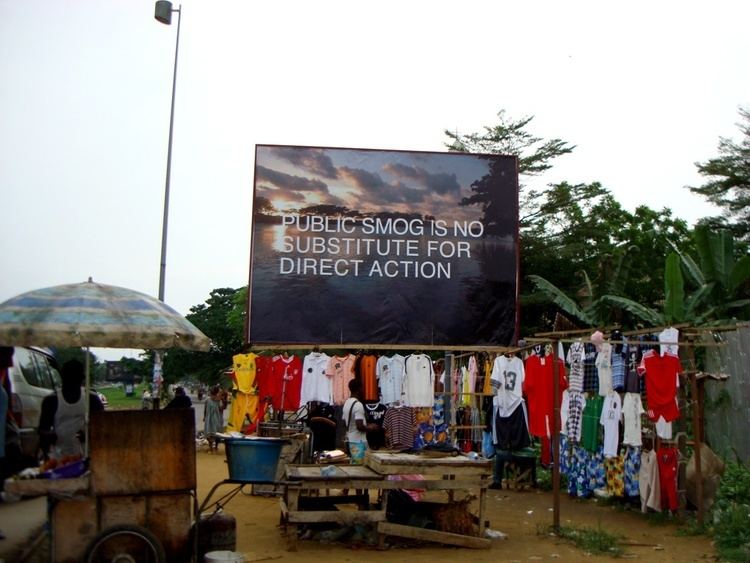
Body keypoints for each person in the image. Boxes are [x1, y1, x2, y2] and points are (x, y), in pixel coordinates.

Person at [38, 359, 104, 461]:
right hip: (59, 458)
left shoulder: (91, 399)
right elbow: (43, 431)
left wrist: (88, 434)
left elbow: (102, 428)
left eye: (74, 379)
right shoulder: (51, 401)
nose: (71, 384)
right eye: (69, 379)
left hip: (86, 457)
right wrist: (49, 436)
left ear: (81, 379)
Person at [341, 379, 376, 464]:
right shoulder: (358, 405)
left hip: (350, 440)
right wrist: (371, 428)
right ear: (359, 389)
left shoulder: (346, 403)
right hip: (359, 442)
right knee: (361, 468)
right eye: (362, 388)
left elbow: (344, 423)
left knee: (354, 466)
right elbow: (359, 426)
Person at [203, 385, 224, 453]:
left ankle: (214, 447)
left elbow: (221, 409)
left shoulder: (218, 401)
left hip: (215, 418)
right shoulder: (208, 400)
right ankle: (212, 447)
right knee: (211, 433)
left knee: (215, 433)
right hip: (211, 418)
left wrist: (220, 399)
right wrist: (204, 417)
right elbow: (205, 409)